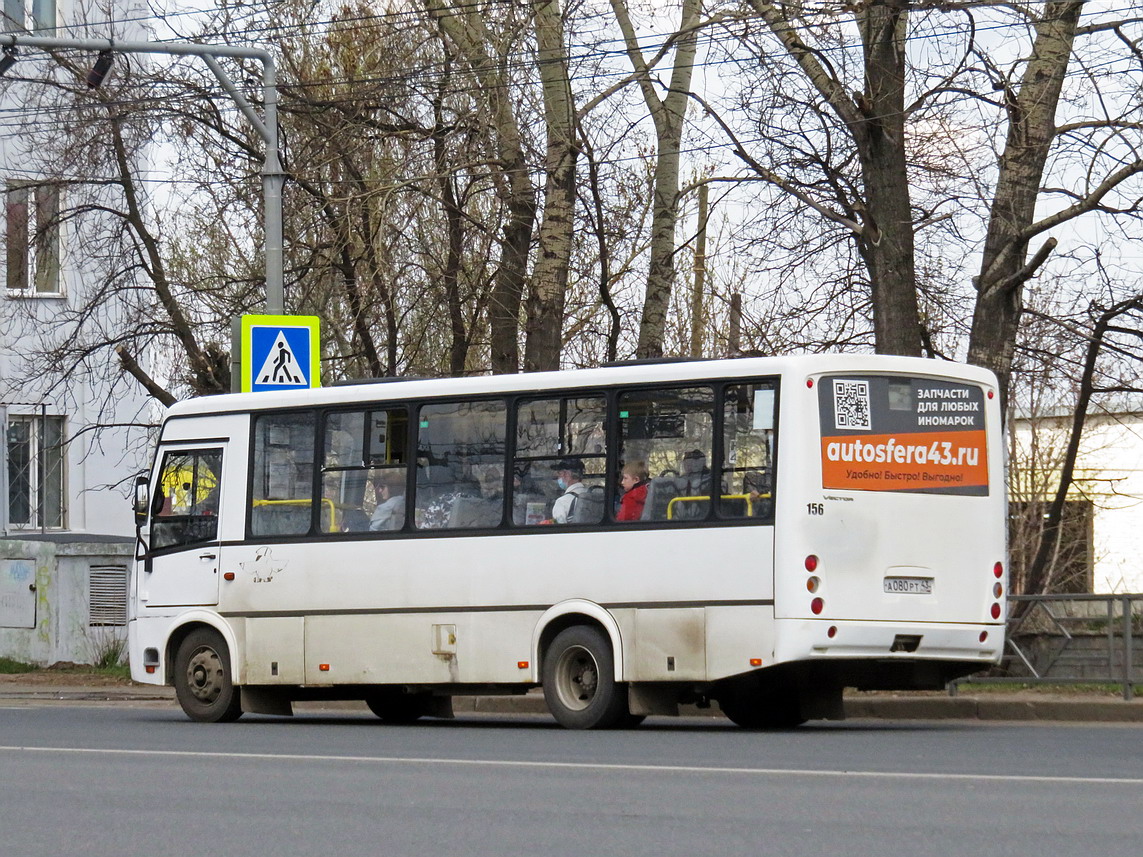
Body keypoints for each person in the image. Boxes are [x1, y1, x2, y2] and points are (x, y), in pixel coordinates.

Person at [549, 457, 588, 524]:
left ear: (567, 474)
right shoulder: (591, 495)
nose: (558, 478)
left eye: (559, 474)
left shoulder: (562, 502)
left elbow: (559, 531)